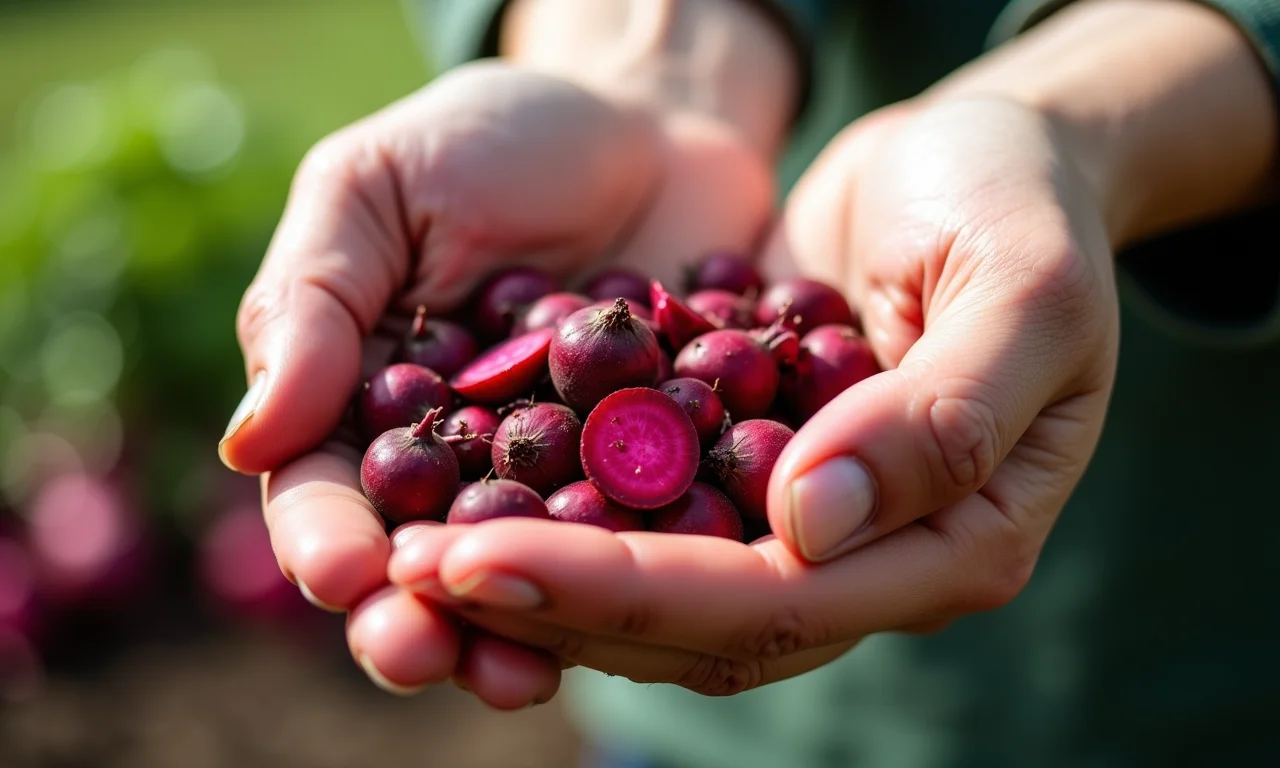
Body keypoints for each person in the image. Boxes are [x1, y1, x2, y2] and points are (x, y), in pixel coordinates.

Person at [218, 0, 1280, 765]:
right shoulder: (545, 398)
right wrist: (643, 60)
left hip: (1196, 659)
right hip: (685, 731)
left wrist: (1073, 127)